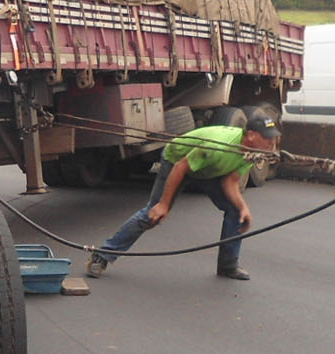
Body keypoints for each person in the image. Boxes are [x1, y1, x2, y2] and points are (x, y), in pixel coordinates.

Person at [86, 109, 281, 281]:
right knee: (153, 214)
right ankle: (102, 255)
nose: (272, 144)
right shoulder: (217, 146)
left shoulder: (252, 151)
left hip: (207, 170)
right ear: (252, 135)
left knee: (236, 212)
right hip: (177, 161)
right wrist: (164, 203)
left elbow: (229, 181)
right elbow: (181, 168)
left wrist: (243, 207)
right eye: (268, 139)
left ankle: (228, 266)